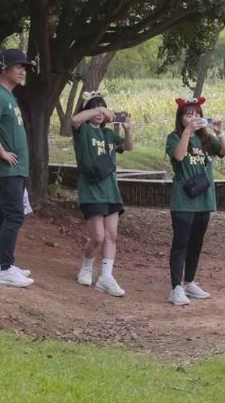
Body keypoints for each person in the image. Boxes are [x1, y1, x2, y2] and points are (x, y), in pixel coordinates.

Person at [166, 96, 225, 306]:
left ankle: (189, 282)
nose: (193, 117)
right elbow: (178, 157)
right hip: (183, 200)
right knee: (181, 243)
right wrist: (187, 132)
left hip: (204, 198)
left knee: (196, 243)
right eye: (188, 114)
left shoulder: (206, 139)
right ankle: (175, 288)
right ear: (181, 118)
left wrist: (219, 132)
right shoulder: (174, 137)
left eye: (197, 114)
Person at [0, 49, 36, 288]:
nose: (23, 71)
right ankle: (5, 268)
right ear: (4, 68)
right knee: (14, 215)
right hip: (6, 168)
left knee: (5, 215)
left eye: (25, 67)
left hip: (15, 169)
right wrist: (1, 151)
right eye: (18, 66)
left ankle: (1, 265)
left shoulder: (9, 96)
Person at [71, 91, 134, 296]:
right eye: (93, 107)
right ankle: (87, 266)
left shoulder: (108, 135)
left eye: (102, 107)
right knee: (97, 237)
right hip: (91, 188)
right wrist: (97, 108)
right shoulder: (83, 131)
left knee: (111, 235)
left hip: (110, 189)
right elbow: (75, 119)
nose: (99, 112)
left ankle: (106, 277)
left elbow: (127, 147)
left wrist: (128, 130)